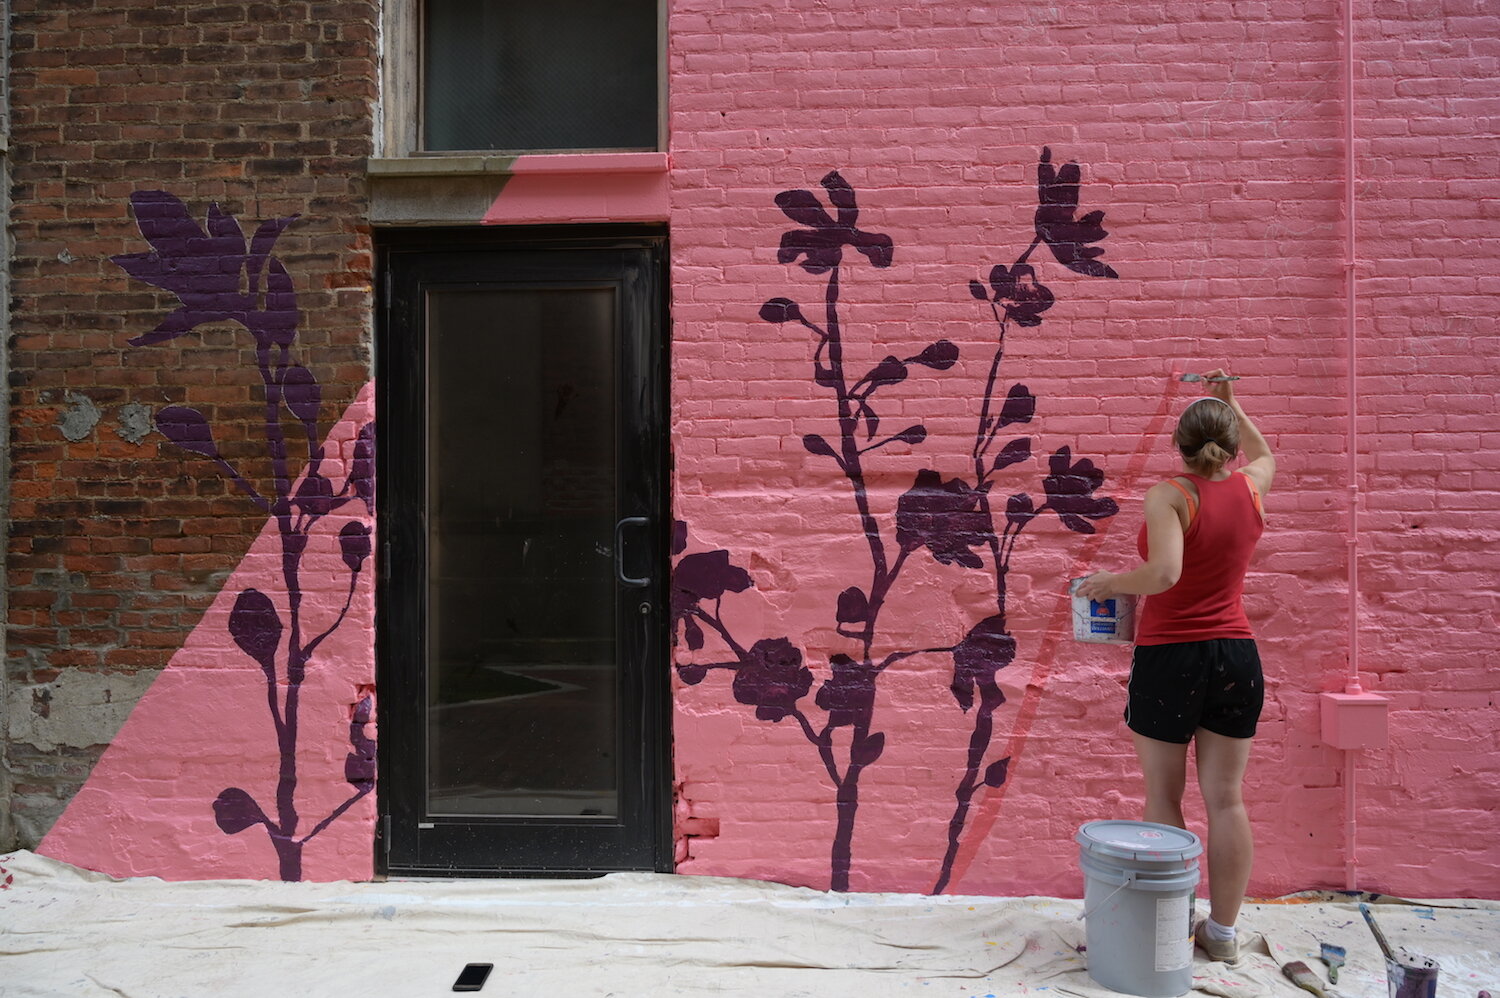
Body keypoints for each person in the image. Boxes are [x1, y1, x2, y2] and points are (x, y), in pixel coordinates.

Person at [1075, 368, 1275, 964]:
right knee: (1227, 799)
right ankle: (1224, 934)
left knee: (1163, 796)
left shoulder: (1170, 494)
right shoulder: (1252, 486)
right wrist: (1232, 403)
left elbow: (1164, 574)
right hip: (1236, 654)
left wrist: (1108, 582)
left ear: (1178, 446)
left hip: (1172, 656)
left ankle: (1169, 931)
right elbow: (1264, 454)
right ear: (1230, 444)